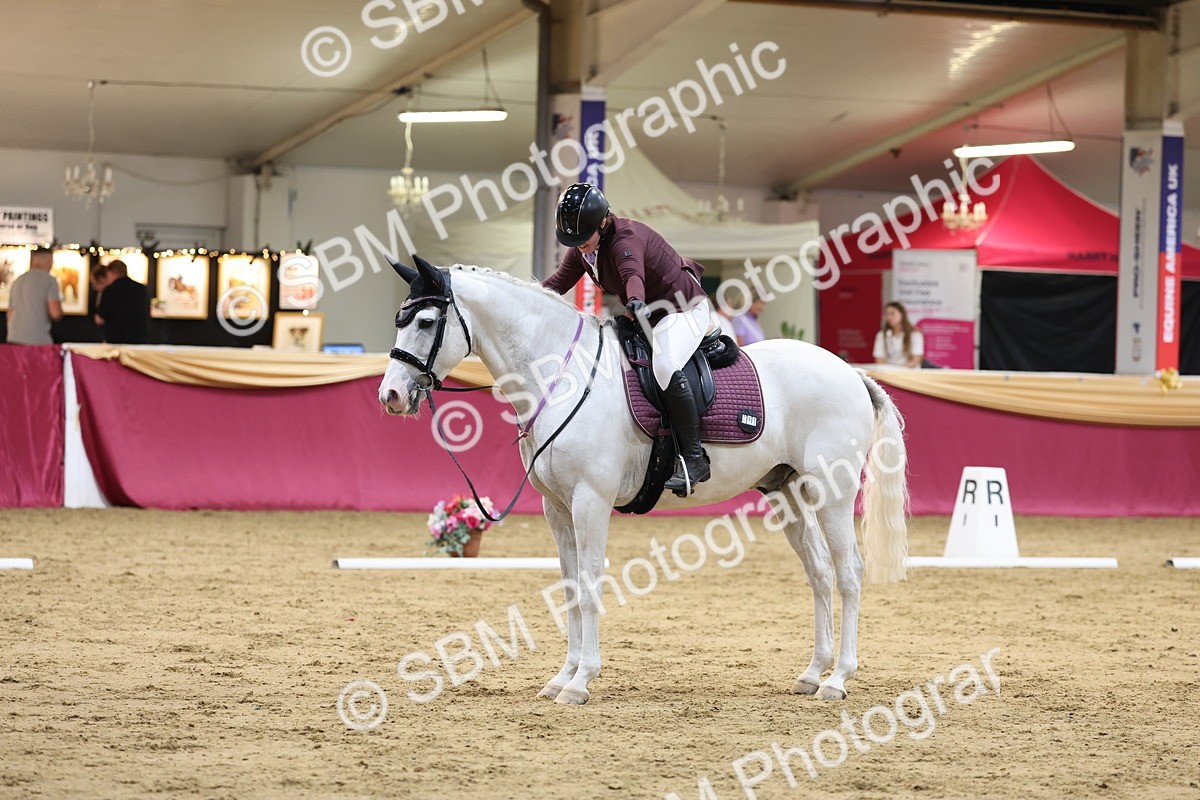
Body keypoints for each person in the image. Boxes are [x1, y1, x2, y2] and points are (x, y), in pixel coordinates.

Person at [542, 182, 713, 496]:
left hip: (683, 309)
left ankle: (694, 456)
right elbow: (556, 283)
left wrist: (634, 300)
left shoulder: (625, 238)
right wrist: (529, 298)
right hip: (650, 313)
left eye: (584, 238)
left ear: (604, 223)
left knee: (663, 365)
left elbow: (632, 272)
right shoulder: (583, 248)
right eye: (575, 240)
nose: (579, 245)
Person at [5, 247, 62, 345]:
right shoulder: (49, 280)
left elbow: (10, 314)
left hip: (14, 338)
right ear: (48, 260)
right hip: (37, 340)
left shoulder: (18, 280)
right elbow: (55, 313)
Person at [94, 259, 150, 344]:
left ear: (111, 273)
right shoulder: (141, 288)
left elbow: (99, 318)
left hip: (116, 339)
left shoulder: (109, 290)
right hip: (139, 338)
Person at [873, 301, 924, 368]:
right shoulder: (881, 335)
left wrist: (900, 369)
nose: (889, 317)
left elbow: (916, 360)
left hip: (910, 373)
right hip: (889, 373)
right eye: (887, 314)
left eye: (892, 313)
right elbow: (879, 358)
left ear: (902, 314)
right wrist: (888, 371)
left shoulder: (915, 334)